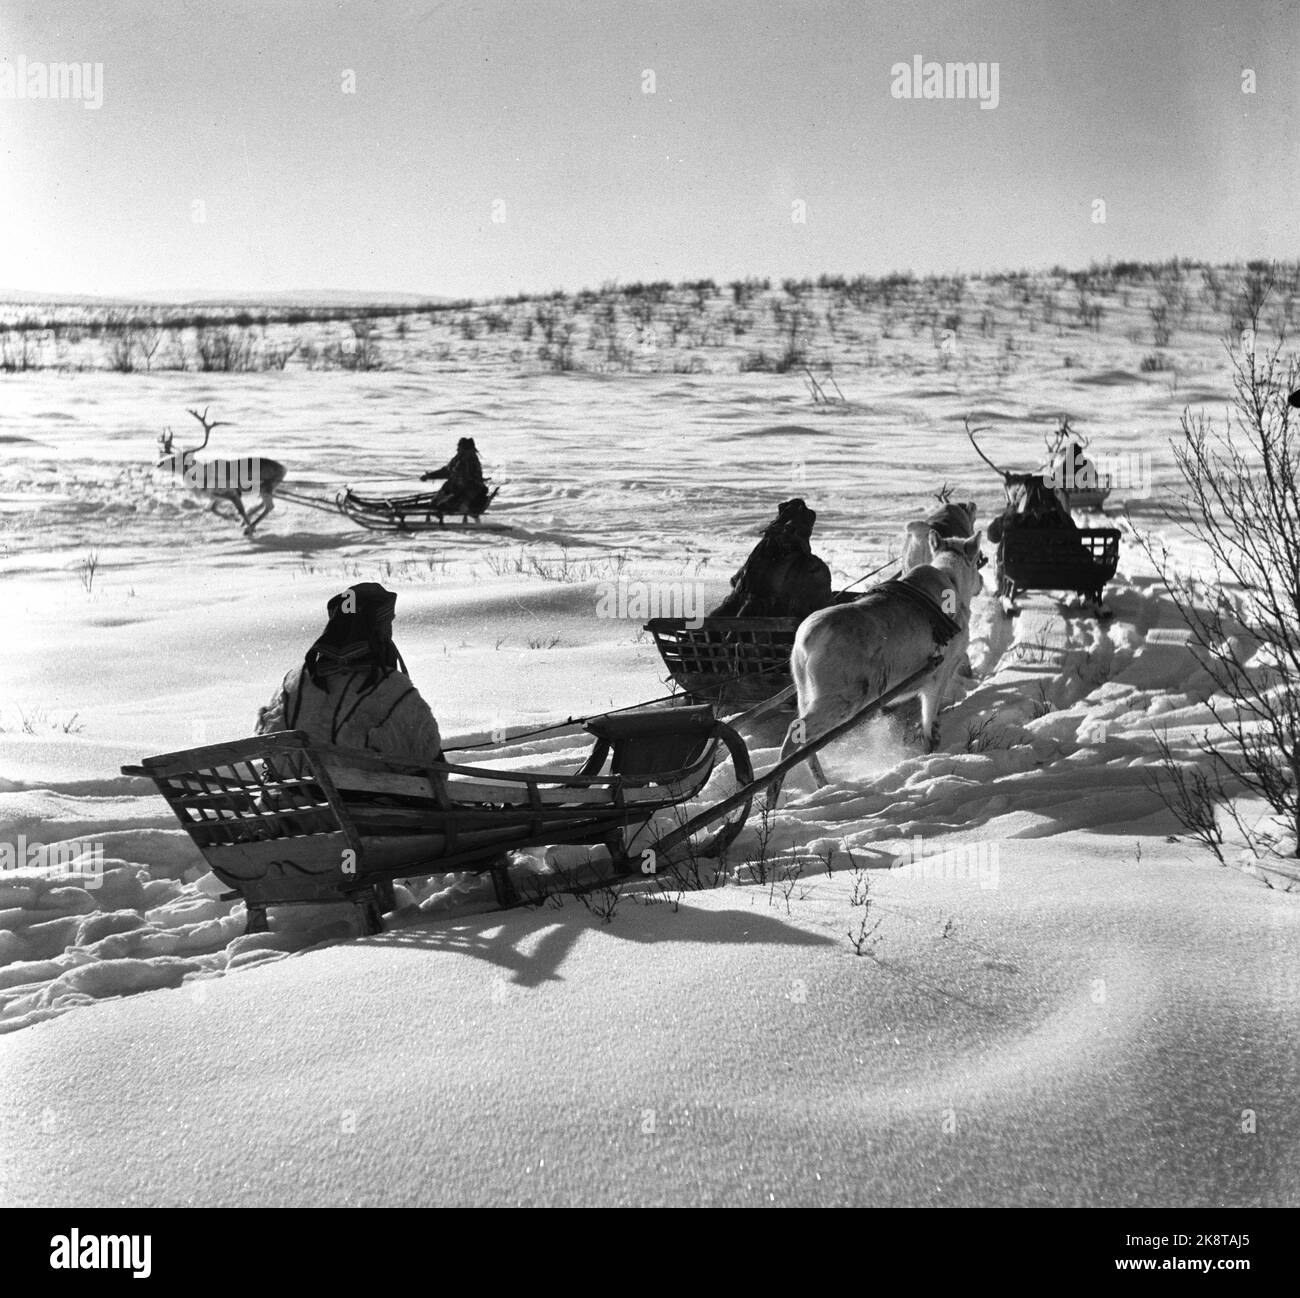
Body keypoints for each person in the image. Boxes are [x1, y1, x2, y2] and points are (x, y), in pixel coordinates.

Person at [256, 582, 442, 763]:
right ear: (378, 629)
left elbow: (268, 738)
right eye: (388, 623)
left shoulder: (293, 681)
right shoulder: (390, 688)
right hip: (361, 793)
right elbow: (428, 755)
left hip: (293, 792)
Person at [420, 437, 492, 522]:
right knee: (435, 502)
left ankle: (468, 512)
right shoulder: (458, 459)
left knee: (454, 504)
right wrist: (430, 476)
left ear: (466, 449)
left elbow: (466, 479)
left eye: (459, 447)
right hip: (454, 487)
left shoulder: (471, 461)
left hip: (469, 490)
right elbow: (447, 471)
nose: (457, 449)